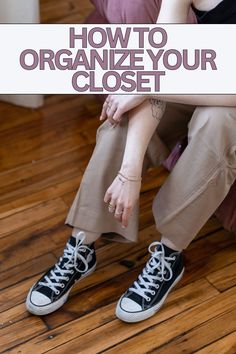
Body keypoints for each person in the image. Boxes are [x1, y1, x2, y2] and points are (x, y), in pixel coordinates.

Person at [26, 0, 236, 323]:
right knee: (124, 111)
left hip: (228, 100)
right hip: (202, 80)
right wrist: (130, 170)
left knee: (217, 122)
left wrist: (151, 85)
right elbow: (160, 55)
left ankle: (169, 253)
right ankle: (82, 243)